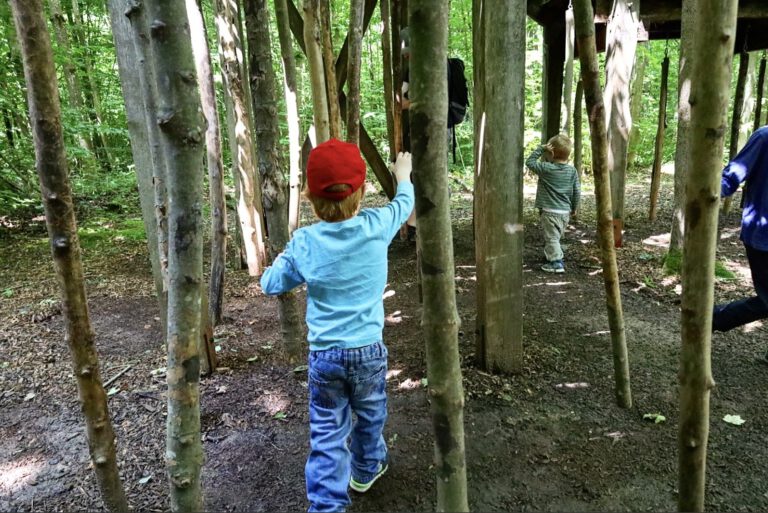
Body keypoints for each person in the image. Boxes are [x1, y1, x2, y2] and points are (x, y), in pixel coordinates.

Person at [260, 139, 415, 512]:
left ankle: (327, 505)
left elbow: (270, 283)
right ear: (361, 191)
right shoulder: (377, 225)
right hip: (369, 353)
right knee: (372, 412)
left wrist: (287, 253)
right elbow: (404, 204)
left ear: (310, 196)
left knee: (328, 433)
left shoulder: (305, 242)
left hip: (325, 356)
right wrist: (404, 175)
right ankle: (366, 467)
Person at [712, 126, 768, 356]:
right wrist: (710, 191)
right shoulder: (764, 137)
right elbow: (733, 174)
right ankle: (714, 318)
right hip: (762, 237)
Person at [525, 134, 581, 274]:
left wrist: (540, 149)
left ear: (551, 153)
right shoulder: (572, 171)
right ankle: (552, 255)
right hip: (564, 212)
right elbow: (577, 191)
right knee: (555, 237)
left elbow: (529, 162)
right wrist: (574, 208)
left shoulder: (546, 169)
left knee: (552, 238)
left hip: (549, 211)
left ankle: (556, 263)